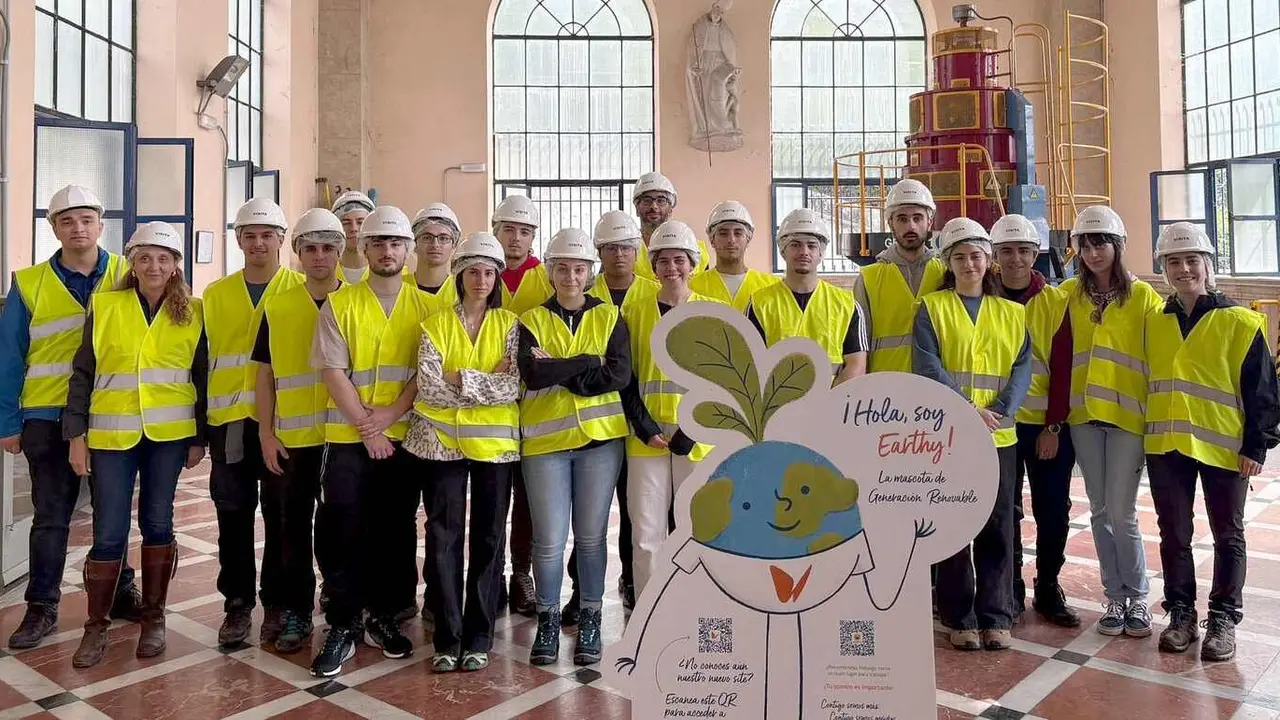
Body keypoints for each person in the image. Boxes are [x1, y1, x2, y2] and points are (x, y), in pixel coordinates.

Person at [1, 185, 141, 650]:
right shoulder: (29, 282)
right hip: (45, 414)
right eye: (67, 221)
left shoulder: (130, 272)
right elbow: (9, 354)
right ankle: (41, 607)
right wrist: (8, 422)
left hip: (110, 411)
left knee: (113, 511)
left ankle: (120, 592)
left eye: (86, 220)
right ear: (53, 227)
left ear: (101, 224)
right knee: (51, 516)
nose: (78, 229)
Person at [63, 221, 207, 667]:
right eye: (144, 257)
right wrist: (75, 435)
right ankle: (96, 627)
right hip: (111, 435)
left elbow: (201, 376)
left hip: (168, 436)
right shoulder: (105, 306)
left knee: (158, 523)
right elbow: (83, 372)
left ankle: (154, 619)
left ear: (176, 266)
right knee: (108, 531)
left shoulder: (195, 311)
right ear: (132, 262)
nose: (154, 265)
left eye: (164, 258)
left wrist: (199, 437)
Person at [1146, 222, 1280, 662]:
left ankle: (1223, 617)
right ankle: (1180, 613)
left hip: (1225, 448)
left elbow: (1262, 391)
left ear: (1207, 265)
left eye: (1191, 261)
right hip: (1167, 445)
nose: (1184, 270)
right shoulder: (1155, 321)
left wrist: (1256, 447)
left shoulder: (1240, 322)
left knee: (1229, 534)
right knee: (1174, 534)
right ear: (1163, 268)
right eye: (1173, 262)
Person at [308, 206, 432, 677]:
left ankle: (383, 615)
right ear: (364, 249)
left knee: (394, 530)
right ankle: (342, 624)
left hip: (404, 438)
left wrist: (388, 419)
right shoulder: (340, 303)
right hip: (346, 439)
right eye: (378, 243)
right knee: (343, 530)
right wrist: (367, 425)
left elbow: (427, 373)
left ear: (408, 250)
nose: (387, 251)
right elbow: (332, 371)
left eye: (396, 243)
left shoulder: (429, 307)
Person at [913, 217, 1031, 651]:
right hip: (948, 435)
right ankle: (958, 615)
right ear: (948, 262)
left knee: (999, 525)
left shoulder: (1013, 313)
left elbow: (1022, 369)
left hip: (999, 436)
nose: (969, 263)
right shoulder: (932, 308)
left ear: (989, 262)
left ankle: (996, 615)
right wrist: (965, 410)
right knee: (953, 525)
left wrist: (999, 411)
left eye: (976, 256)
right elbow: (927, 365)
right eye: (960, 257)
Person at [406, 232, 520, 673]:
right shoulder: (434, 325)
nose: (481, 279)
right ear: (459, 275)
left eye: (489, 272)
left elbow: (514, 386)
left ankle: (479, 636)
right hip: (441, 445)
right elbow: (429, 387)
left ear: (497, 278)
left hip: (495, 449)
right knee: (443, 538)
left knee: (490, 540)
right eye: (473, 271)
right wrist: (482, 380)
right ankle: (447, 638)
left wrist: (460, 379)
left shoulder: (510, 325)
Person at [518, 228, 631, 667]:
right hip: (545, 444)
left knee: (589, 538)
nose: (570, 275)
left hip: (600, 443)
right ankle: (547, 620)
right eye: (562, 267)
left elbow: (618, 376)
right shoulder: (529, 320)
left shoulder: (608, 317)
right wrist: (588, 362)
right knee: (548, 541)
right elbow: (532, 375)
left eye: (579, 268)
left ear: (589, 273)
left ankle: (589, 619)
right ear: (549, 271)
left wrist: (560, 367)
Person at [204, 199, 304, 649]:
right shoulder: (215, 294)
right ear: (239, 239)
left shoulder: (302, 289)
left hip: (284, 423)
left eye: (268, 234)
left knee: (283, 517)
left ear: (282, 240)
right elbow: (199, 361)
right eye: (250, 235)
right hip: (230, 421)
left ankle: (278, 602)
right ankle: (238, 604)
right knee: (233, 514)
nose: (259, 242)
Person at [1060, 205, 1164, 638]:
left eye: (1101, 242)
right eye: (1085, 244)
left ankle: (1138, 597)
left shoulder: (1143, 298)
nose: (1093, 252)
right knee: (1099, 511)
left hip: (1126, 419)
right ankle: (1114, 598)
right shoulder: (1069, 295)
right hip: (1084, 418)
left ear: (1118, 247)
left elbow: (1158, 359)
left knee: (1122, 514)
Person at [251, 208, 345, 655]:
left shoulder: (356, 301)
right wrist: (267, 434)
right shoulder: (279, 305)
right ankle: (296, 610)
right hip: (292, 440)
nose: (320, 257)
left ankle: (341, 604)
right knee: (291, 528)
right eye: (310, 249)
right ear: (298, 253)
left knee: (338, 527)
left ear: (341, 253)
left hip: (342, 438)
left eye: (328, 248)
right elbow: (265, 374)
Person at [561, 211, 658, 624]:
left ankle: (636, 585)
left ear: (637, 251)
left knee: (638, 512)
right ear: (598, 254)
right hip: (595, 421)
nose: (619, 254)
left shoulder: (655, 293)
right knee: (589, 520)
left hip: (642, 422)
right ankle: (581, 593)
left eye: (626, 247)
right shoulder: (583, 289)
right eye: (611, 248)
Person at [990, 214, 1080, 628]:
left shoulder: (1056, 301)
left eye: (1023, 251)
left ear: (1035, 254)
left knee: (1053, 510)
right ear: (994, 255)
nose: (1015, 259)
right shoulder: (981, 300)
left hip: (1045, 427)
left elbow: (1063, 369)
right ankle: (1009, 591)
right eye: (1006, 251)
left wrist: (1054, 426)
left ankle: (1048, 587)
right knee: (1004, 512)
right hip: (998, 427)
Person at [623, 220, 720, 598]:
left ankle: (697, 605)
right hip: (646, 440)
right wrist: (644, 425)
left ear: (692, 264)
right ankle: (650, 612)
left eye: (679, 259)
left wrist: (692, 430)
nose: (672, 268)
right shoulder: (634, 311)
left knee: (697, 526)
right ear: (653, 266)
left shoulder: (712, 312)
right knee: (646, 533)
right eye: (663, 260)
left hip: (696, 439)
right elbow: (626, 375)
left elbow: (722, 380)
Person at [493, 194, 550, 616]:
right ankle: (491, 574)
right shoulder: (480, 272)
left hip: (533, 406)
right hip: (488, 410)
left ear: (534, 237)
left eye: (525, 231)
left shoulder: (546, 277)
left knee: (529, 499)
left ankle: (522, 574)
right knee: (491, 499)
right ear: (496, 230)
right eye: (509, 229)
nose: (516, 238)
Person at [747, 208, 867, 385]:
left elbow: (856, 366)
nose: (804, 251)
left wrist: (829, 403)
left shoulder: (847, 305)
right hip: (777, 410)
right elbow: (751, 365)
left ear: (821, 254)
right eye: (795, 245)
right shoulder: (760, 303)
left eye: (811, 245)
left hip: (832, 408)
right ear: (783, 251)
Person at [853, 179, 947, 373]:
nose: (911, 226)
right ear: (890, 223)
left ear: (929, 222)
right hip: (886, 388)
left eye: (917, 218)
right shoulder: (869, 278)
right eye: (902, 219)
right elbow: (858, 345)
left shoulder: (945, 273)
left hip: (936, 388)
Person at [690, 201, 779, 311]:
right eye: (723, 233)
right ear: (712, 239)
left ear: (748, 238)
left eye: (738, 233)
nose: (731, 240)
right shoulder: (693, 286)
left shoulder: (770, 285)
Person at [631, 172, 710, 279]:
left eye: (661, 200)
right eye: (647, 200)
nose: (654, 206)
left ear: (670, 209)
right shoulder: (624, 249)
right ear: (637, 209)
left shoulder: (696, 250)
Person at [412, 202, 461, 309]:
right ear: (414, 243)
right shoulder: (396, 289)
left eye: (443, 238)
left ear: (454, 245)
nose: (435, 245)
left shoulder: (463, 291)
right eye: (427, 237)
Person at [334, 190, 375, 285]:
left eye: (360, 222)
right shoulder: (323, 271)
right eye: (346, 223)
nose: (354, 229)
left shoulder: (392, 273)